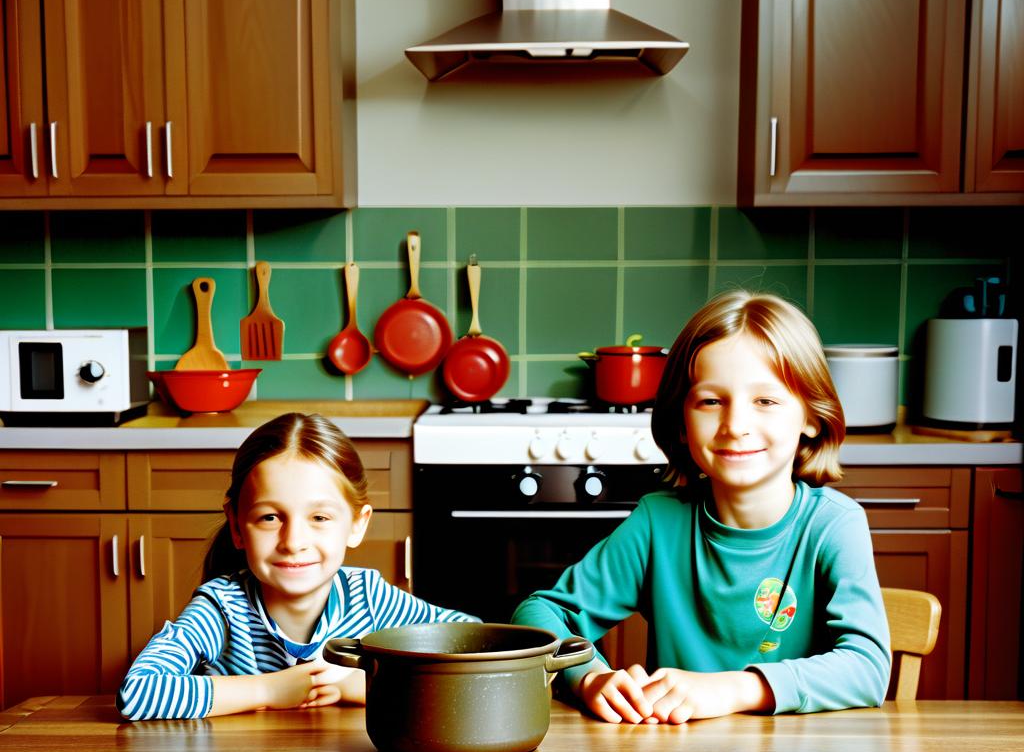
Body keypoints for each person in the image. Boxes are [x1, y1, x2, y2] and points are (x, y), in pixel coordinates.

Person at [513, 290, 891, 725]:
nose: (735, 426)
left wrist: (733, 688)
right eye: (711, 401)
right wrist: (590, 677)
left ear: (810, 415)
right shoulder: (658, 524)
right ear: (681, 420)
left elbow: (867, 668)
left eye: (765, 401)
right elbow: (539, 612)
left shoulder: (833, 526)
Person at [118, 412, 476, 720]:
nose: (293, 541)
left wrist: (358, 683)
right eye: (270, 517)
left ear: (357, 524)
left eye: (319, 517)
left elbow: (474, 643)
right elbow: (138, 692)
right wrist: (269, 691)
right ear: (237, 526)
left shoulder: (369, 598)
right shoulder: (222, 608)